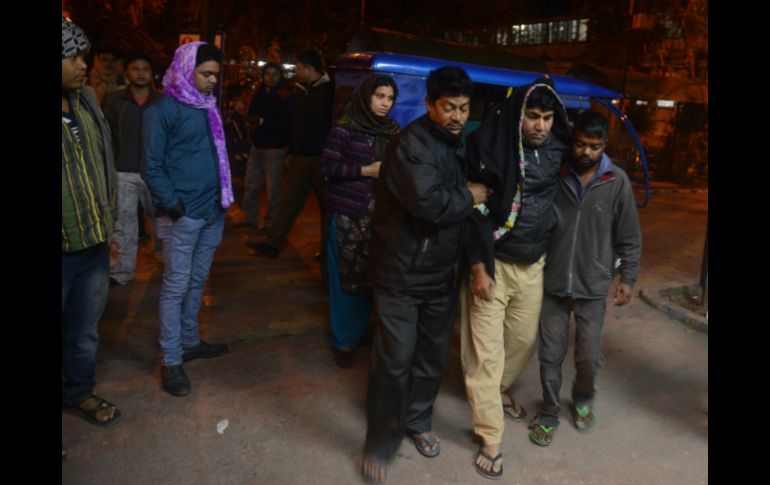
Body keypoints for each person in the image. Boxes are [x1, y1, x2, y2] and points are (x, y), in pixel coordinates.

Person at [361, 67, 489, 483]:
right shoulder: (410, 145)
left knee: (432, 358)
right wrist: (470, 194)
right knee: (394, 360)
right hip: (401, 272)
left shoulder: (459, 142)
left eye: (463, 109)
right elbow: (431, 205)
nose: (456, 116)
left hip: (441, 273)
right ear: (431, 104)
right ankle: (381, 441)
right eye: (448, 107)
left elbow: (462, 214)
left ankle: (417, 421)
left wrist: (472, 261)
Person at [460, 77, 571, 479]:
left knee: (522, 343)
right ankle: (490, 434)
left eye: (546, 118)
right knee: (485, 353)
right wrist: (478, 266)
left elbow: (593, 160)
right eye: (532, 117)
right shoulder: (491, 148)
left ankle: (496, 390)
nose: (540, 126)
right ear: (517, 117)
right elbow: (473, 211)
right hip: (493, 265)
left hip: (534, 265)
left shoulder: (561, 146)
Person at [528, 110, 641, 446]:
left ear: (605, 145)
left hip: (592, 286)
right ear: (572, 141)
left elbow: (630, 234)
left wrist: (628, 277)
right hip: (552, 283)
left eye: (594, 146)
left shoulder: (616, 181)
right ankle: (548, 412)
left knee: (588, 356)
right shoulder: (556, 173)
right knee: (550, 354)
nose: (586, 152)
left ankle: (582, 399)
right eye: (580, 144)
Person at [142, 42, 234, 397]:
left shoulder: (207, 104)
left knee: (198, 280)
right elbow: (151, 164)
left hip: (213, 209)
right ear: (186, 69)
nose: (212, 81)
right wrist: (174, 204)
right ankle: (171, 358)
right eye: (206, 73)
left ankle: (190, 340)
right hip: (185, 214)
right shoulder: (165, 107)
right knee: (176, 284)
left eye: (215, 75)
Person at [61, 16, 121, 427]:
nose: (83, 64)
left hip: (93, 242)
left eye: (83, 55)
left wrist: (110, 227)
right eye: (71, 56)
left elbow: (104, 165)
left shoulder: (87, 103)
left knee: (84, 332)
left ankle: (78, 392)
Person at [319, 74, 400, 368]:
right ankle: (343, 342)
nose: (385, 103)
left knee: (370, 277)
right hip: (347, 215)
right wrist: (366, 170)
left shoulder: (393, 131)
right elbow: (327, 167)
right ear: (366, 97)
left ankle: (357, 332)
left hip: (379, 218)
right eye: (379, 96)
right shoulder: (345, 129)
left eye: (390, 98)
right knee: (344, 279)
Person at [247, 48, 333, 258]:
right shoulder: (302, 91)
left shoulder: (330, 91)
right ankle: (273, 244)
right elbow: (294, 124)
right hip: (300, 158)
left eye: (298, 67)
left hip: (322, 159)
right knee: (289, 203)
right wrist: (291, 152)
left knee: (329, 209)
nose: (296, 71)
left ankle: (329, 251)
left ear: (308, 68)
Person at [104, 52, 161, 286]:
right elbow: (106, 137)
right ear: (127, 72)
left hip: (156, 172)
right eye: (135, 68)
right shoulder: (114, 101)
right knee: (124, 224)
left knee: (163, 220)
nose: (140, 73)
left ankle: (166, 261)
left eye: (145, 69)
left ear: (151, 73)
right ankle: (121, 273)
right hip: (124, 171)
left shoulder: (162, 102)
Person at [235, 62, 292, 233]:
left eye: (275, 73)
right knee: (251, 185)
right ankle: (250, 218)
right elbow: (252, 113)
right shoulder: (260, 92)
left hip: (274, 149)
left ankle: (271, 223)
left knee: (273, 189)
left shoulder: (284, 94)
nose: (271, 77)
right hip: (257, 146)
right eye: (268, 73)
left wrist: (261, 120)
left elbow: (283, 121)